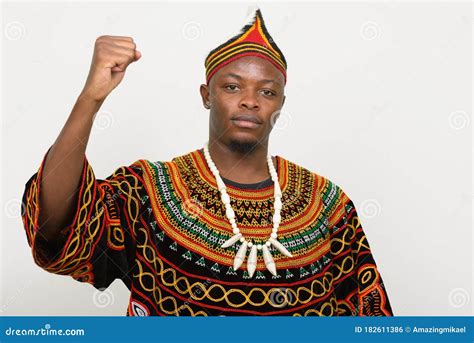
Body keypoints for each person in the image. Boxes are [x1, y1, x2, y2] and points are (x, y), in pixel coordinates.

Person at [21, 7, 394, 316]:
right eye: (232, 87)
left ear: (280, 104)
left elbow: (369, 317)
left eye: (267, 91)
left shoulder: (324, 202)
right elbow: (57, 225)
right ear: (206, 96)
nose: (250, 101)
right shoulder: (152, 190)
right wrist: (91, 98)